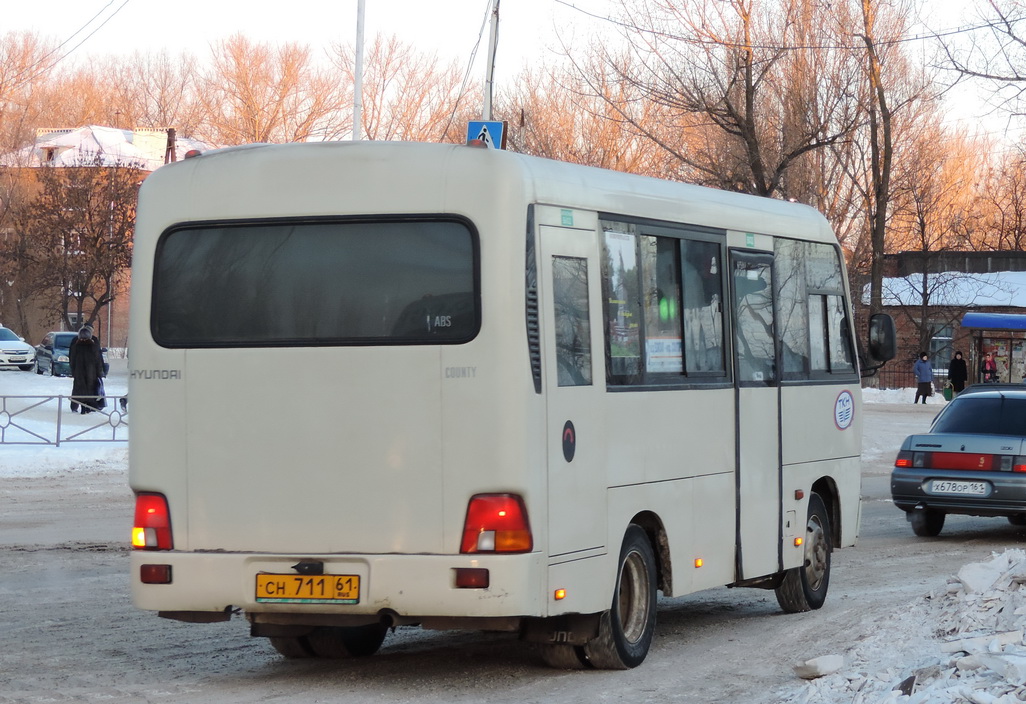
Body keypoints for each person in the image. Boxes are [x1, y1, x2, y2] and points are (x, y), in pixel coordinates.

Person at [69, 325, 106, 414]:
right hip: (91, 373)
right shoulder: (93, 346)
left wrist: (73, 371)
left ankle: (80, 406)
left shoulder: (76, 345)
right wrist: (99, 372)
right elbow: (98, 360)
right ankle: (88, 407)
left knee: (79, 389)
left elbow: (72, 359)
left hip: (79, 372)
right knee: (90, 390)